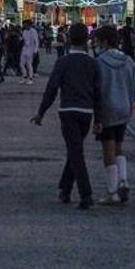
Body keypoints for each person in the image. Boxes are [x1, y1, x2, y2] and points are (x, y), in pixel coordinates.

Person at [32, 22, 100, 210]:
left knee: (75, 152)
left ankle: (86, 194)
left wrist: (41, 113)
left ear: (68, 39)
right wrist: (99, 119)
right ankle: (65, 188)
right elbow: (98, 92)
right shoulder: (93, 63)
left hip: (68, 111)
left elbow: (52, 89)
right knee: (75, 150)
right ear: (87, 40)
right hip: (86, 113)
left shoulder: (63, 63)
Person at [93, 25, 135, 205]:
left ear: (104, 41)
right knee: (119, 146)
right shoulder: (128, 61)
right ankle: (123, 179)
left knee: (107, 151)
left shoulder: (99, 62)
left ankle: (112, 191)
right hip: (124, 109)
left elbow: (97, 89)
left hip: (107, 109)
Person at [20, 19, 40, 84]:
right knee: (21, 64)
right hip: (24, 49)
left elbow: (36, 42)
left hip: (31, 49)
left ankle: (30, 78)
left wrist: (35, 51)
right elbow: (23, 40)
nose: (24, 25)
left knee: (29, 64)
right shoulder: (24, 31)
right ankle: (24, 76)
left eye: (25, 24)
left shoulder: (33, 31)